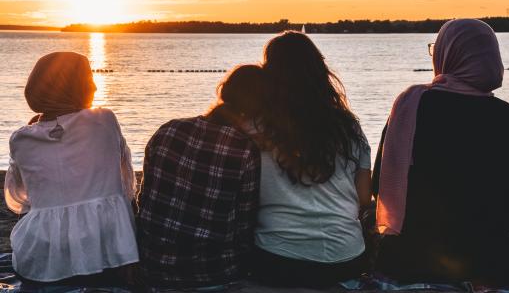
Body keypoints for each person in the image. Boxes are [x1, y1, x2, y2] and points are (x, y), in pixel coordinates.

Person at [372, 19, 509, 287]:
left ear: (446, 54)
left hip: (407, 260)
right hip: (487, 262)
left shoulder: (409, 108)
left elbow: (377, 185)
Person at [250, 31, 372, 288]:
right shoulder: (349, 127)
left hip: (279, 259)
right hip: (346, 257)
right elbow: (363, 198)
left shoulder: (255, 127)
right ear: (320, 70)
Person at [4, 52, 139, 284]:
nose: (95, 87)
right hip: (108, 251)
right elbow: (125, 183)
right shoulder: (103, 121)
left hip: (44, 255)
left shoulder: (21, 139)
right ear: (76, 88)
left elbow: (20, 197)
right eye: (88, 80)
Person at [136, 65, 263, 290]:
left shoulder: (168, 130)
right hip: (212, 273)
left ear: (224, 91)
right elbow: (244, 224)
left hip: (153, 266)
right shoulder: (245, 150)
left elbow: (144, 198)